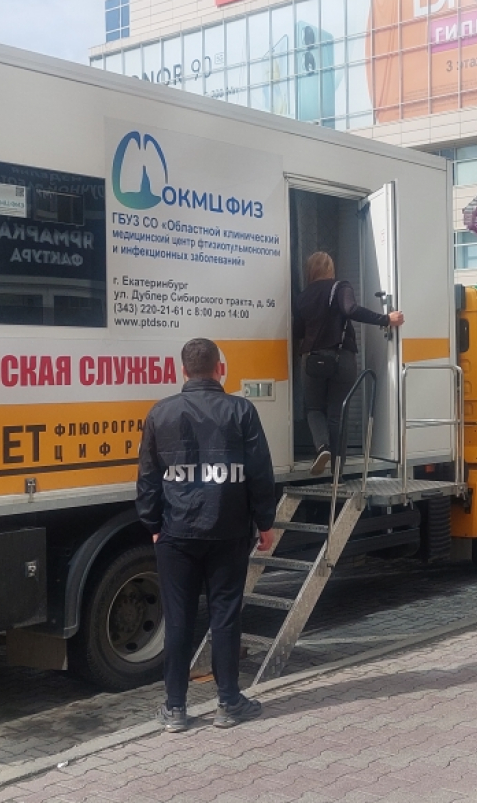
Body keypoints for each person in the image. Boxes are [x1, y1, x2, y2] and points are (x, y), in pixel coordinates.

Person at [136, 338, 278, 733]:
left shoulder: (160, 413)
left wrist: (152, 525)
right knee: (225, 617)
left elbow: (148, 477)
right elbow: (260, 472)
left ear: (182, 371)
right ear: (220, 369)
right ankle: (229, 702)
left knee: (178, 619)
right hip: (229, 528)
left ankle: (175, 708)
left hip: (176, 533)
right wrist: (264, 522)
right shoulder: (241, 411)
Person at [293, 252, 404, 474]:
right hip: (342, 359)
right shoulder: (340, 286)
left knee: (314, 409)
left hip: (313, 361)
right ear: (330, 269)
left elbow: (297, 332)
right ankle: (337, 471)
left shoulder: (303, 296)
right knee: (337, 413)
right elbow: (350, 310)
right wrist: (385, 319)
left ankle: (322, 446)